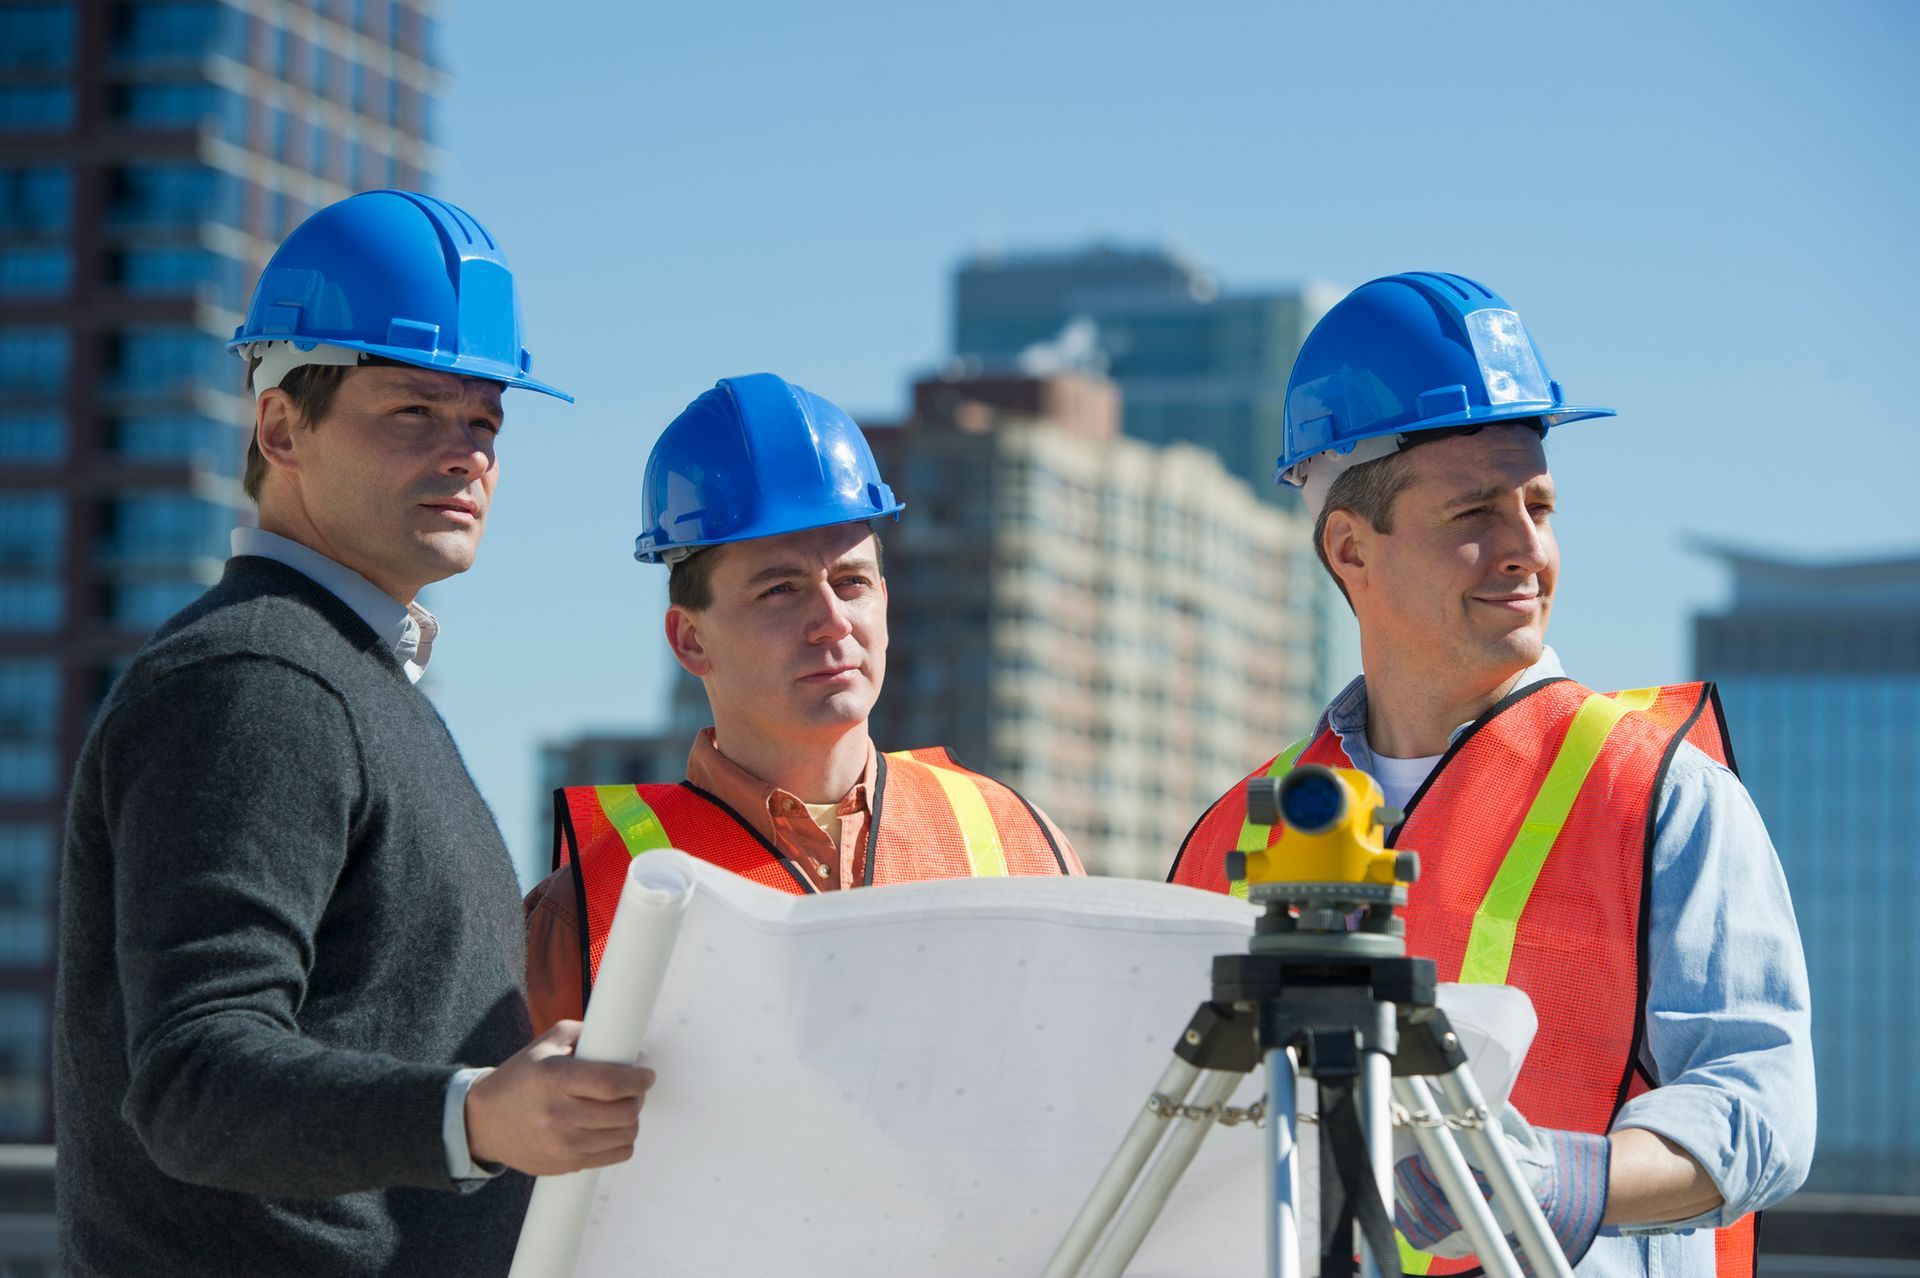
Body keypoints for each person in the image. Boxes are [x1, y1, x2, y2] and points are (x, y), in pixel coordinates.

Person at [54, 191, 655, 1277]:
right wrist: (478, 1116)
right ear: (282, 427)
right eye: (414, 413)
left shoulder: (350, 683)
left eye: (485, 421)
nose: (467, 453)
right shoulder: (259, 680)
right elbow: (194, 1082)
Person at [1168, 272, 1812, 1275]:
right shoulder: (1236, 830)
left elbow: (1762, 1108)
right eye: (1475, 512)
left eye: (1539, 506)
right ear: (1351, 548)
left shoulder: (1660, 796)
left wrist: (1564, 1181)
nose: (1525, 549)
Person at [524, 373, 1083, 1031]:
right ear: (690, 639)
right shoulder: (592, 905)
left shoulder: (1018, 839)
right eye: (780, 590)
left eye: (852, 582)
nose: (832, 621)